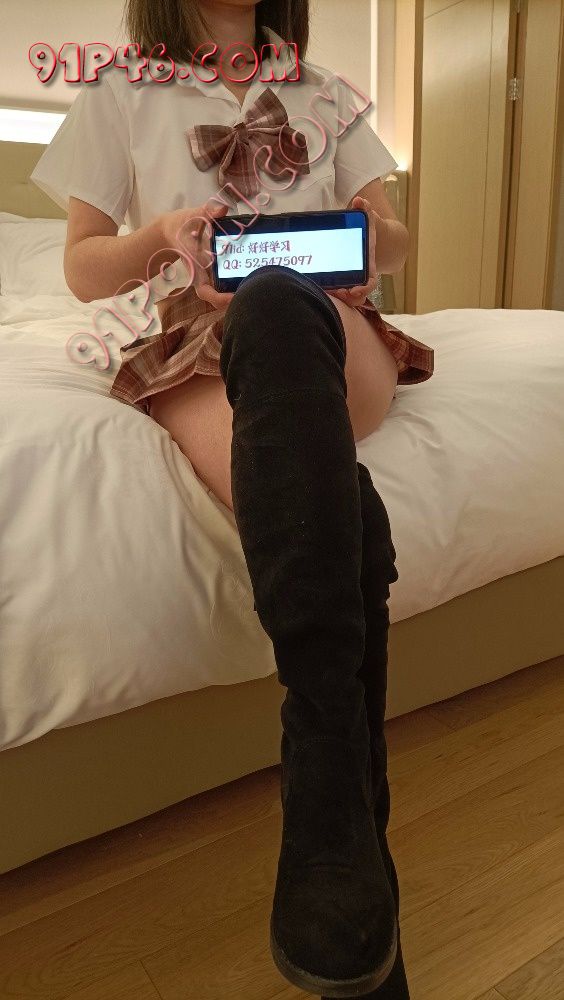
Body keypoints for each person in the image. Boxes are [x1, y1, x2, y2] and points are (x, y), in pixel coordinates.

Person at [31, 2, 434, 996]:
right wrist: (165, 237)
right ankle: (340, 802)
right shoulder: (121, 89)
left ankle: (321, 769)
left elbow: (396, 239)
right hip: (195, 332)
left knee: (281, 304)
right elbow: (81, 265)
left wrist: (356, 245)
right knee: (328, 498)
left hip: (329, 327)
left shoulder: (324, 91)